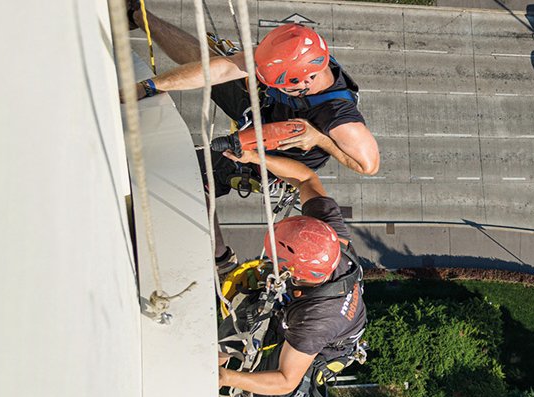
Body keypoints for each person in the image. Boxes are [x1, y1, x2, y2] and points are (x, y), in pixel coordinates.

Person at [124, 5, 380, 274]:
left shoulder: (339, 119)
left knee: (195, 175)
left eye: (277, 83)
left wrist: (319, 138)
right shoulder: (291, 57)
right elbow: (222, 70)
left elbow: (368, 165)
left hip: (277, 157)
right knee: (206, 61)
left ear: (305, 81)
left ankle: (220, 257)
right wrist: (150, 86)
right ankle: (139, 17)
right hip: (265, 111)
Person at [216, 147, 366, 397]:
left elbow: (285, 378)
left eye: (275, 260)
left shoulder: (317, 320)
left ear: (293, 272)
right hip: (297, 306)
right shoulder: (327, 233)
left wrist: (224, 377)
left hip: (315, 350)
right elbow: (305, 176)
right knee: (230, 332)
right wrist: (253, 156)